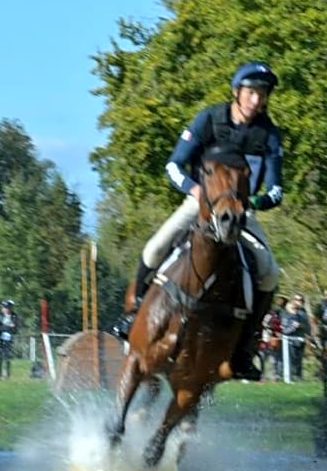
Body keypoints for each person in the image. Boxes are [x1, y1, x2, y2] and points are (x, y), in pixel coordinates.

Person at [114, 61, 283, 381]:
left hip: (242, 213)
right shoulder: (209, 119)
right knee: (154, 249)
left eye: (262, 94)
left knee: (269, 273)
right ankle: (133, 315)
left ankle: (245, 347)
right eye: (251, 93)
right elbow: (174, 165)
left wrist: (253, 202)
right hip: (200, 205)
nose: (257, 101)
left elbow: (276, 188)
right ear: (236, 93)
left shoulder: (269, 134)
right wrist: (194, 190)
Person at [281, 293, 311, 380]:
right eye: (297, 300)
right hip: (289, 340)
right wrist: (293, 326)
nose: (299, 302)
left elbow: (308, 327)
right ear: (293, 300)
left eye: (301, 300)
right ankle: (287, 377)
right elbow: (283, 328)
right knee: (290, 359)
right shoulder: (286, 312)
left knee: (299, 360)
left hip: (301, 339)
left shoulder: (303, 313)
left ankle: (298, 377)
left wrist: (302, 326)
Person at [0, 300, 19, 379]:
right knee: (0, 356)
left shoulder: (14, 316)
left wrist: (8, 327)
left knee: (8, 356)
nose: (6, 309)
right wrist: (8, 326)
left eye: (8, 308)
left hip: (9, 338)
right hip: (1, 338)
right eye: (5, 308)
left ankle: (7, 374)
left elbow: (15, 327)